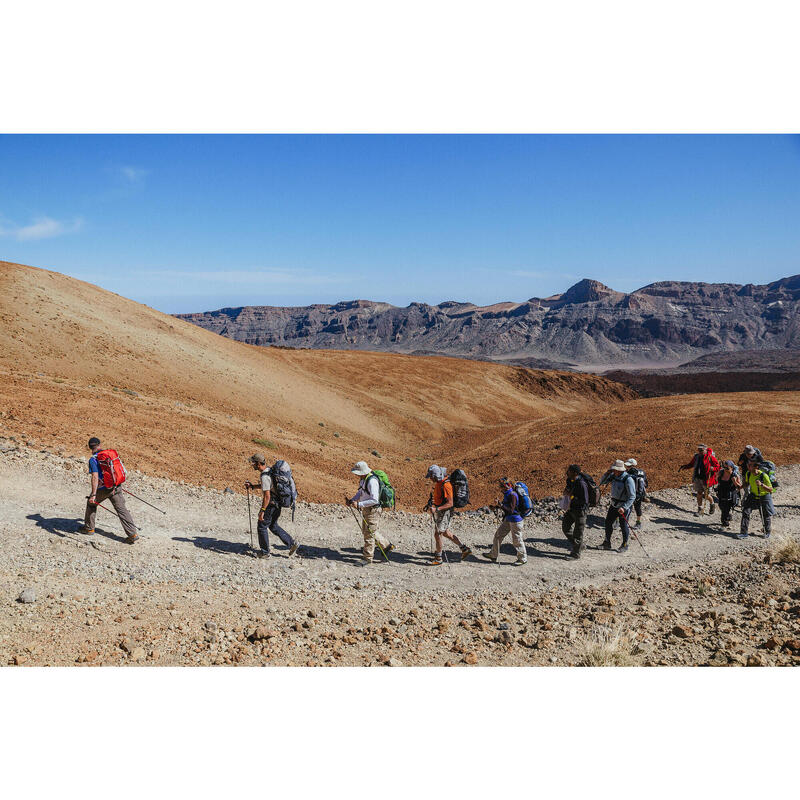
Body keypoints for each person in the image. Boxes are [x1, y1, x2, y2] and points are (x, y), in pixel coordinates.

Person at [79, 437, 139, 543]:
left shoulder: (93, 460)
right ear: (99, 444)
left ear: (90, 447)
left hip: (103, 489)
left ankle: (89, 528)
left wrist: (93, 494)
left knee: (91, 504)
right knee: (121, 509)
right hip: (116, 486)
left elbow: (95, 477)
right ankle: (132, 534)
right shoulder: (109, 455)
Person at [245, 454, 299, 559]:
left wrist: (262, 510)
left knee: (261, 526)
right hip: (278, 503)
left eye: (253, 463)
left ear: (259, 463)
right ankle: (291, 543)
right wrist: (253, 486)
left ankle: (265, 552)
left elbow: (267, 496)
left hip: (271, 504)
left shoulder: (264, 476)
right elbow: (268, 485)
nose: (252, 465)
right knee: (273, 525)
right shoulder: (270, 471)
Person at [347, 461, 394, 563]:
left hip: (373, 510)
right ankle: (386, 545)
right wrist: (352, 500)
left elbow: (374, 500)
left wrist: (359, 504)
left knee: (369, 534)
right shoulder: (364, 479)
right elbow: (361, 492)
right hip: (367, 509)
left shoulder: (372, 481)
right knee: (368, 531)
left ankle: (367, 558)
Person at [425, 465, 473, 565]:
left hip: (444, 511)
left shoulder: (446, 485)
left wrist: (436, 509)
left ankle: (438, 558)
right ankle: (464, 549)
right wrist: (433, 503)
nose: (430, 478)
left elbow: (450, 503)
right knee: (445, 532)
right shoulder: (439, 483)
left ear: (435, 475)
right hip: (441, 510)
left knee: (438, 533)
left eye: (431, 476)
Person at [485, 478, 527, 565]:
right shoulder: (508, 494)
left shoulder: (513, 494)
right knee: (498, 535)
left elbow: (511, 510)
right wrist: (496, 507)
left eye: (502, 486)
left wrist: (500, 504)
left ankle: (522, 559)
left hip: (515, 520)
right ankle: (493, 554)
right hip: (509, 519)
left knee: (517, 539)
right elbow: (506, 507)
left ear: (508, 486)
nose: (500, 488)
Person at [602, 460, 635, 553]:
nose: (614, 471)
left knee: (623, 525)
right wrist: (606, 474)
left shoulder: (628, 479)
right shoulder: (613, 476)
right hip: (614, 504)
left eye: (615, 470)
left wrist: (624, 507)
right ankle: (607, 542)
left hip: (623, 507)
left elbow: (632, 496)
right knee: (608, 523)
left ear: (620, 470)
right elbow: (602, 483)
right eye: (613, 469)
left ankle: (625, 544)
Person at [737, 459, 775, 539]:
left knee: (765, 515)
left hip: (764, 497)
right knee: (745, 511)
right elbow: (747, 483)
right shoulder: (748, 474)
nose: (748, 466)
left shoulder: (763, 476)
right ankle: (744, 533)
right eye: (748, 465)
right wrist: (741, 487)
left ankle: (767, 532)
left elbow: (770, 489)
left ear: (756, 467)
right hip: (753, 495)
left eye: (750, 465)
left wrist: (761, 485)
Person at [679, 444, 720, 516]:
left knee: (707, 495)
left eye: (701, 450)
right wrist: (685, 467)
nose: (700, 452)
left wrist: (713, 469)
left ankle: (712, 504)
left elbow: (718, 467)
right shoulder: (696, 457)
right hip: (698, 478)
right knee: (699, 493)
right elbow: (691, 464)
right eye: (699, 450)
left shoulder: (710, 457)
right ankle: (700, 509)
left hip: (707, 479)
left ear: (705, 450)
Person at [562, 464, 589, 559]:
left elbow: (584, 500)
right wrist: (566, 492)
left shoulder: (582, 484)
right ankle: (579, 546)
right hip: (572, 508)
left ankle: (576, 554)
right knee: (565, 527)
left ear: (575, 473)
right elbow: (569, 490)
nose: (567, 472)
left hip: (580, 511)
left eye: (569, 471)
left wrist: (571, 496)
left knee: (578, 533)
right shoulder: (570, 480)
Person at [715, 460, 742, 530]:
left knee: (726, 509)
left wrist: (735, 481)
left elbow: (739, 487)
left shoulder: (735, 476)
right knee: (721, 506)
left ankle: (724, 522)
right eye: (724, 467)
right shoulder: (721, 473)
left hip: (730, 494)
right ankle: (728, 516)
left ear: (732, 468)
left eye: (727, 468)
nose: (725, 469)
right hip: (721, 492)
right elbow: (717, 479)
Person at [625, 458, 648, 528]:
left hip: (630, 493)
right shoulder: (642, 472)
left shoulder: (629, 472)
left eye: (628, 466)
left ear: (632, 466)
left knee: (626, 507)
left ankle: (621, 522)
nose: (627, 467)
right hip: (640, 494)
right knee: (638, 508)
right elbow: (646, 484)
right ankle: (638, 523)